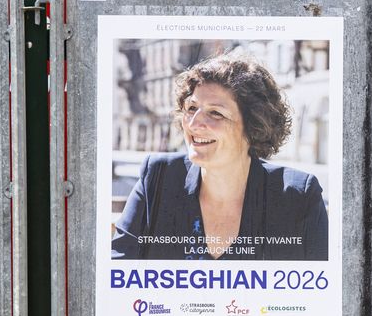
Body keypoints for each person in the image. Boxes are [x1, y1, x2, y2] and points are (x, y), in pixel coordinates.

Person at [112, 51, 328, 261]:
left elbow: (321, 282)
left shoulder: (298, 196)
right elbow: (118, 271)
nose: (194, 124)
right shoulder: (158, 178)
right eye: (191, 108)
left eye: (215, 113)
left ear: (253, 127)